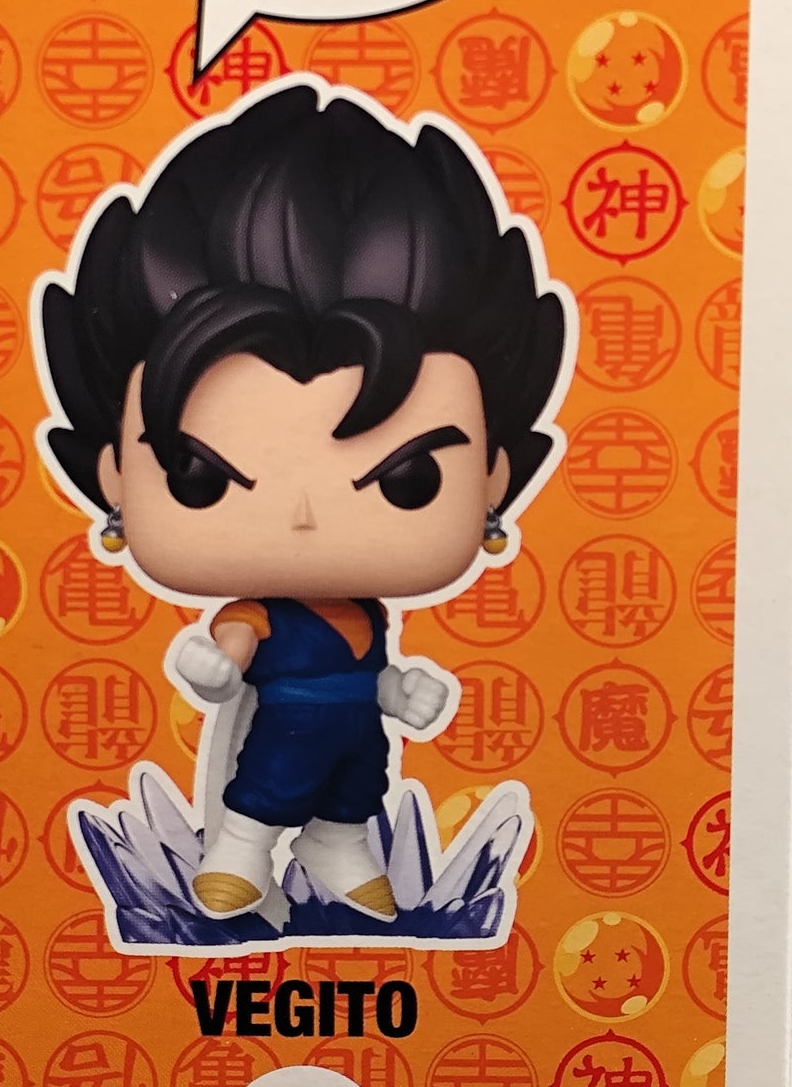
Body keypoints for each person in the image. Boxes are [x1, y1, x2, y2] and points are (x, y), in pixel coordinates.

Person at [38, 82, 568, 921]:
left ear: (495, 477)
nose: (304, 518)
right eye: (200, 477)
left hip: (355, 728)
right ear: (112, 475)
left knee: (358, 787)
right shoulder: (255, 612)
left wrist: (399, 692)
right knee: (267, 782)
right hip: (284, 727)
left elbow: (373, 671)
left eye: (408, 479)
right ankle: (241, 850)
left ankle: (337, 846)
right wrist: (212, 667)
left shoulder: (367, 615)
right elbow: (231, 651)